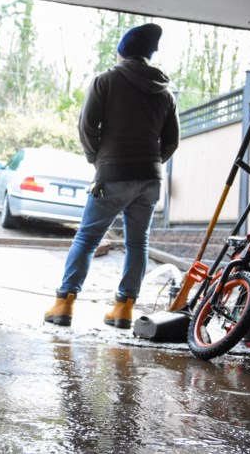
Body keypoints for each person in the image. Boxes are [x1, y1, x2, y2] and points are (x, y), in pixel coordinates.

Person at [44, 23, 180, 329]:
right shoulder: (165, 93)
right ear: (148, 55)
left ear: (122, 50)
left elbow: (86, 126)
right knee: (137, 244)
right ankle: (123, 309)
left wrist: (98, 159)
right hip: (150, 179)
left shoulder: (106, 80)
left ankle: (64, 303)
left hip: (112, 174)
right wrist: (153, 162)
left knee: (88, 237)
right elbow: (172, 141)